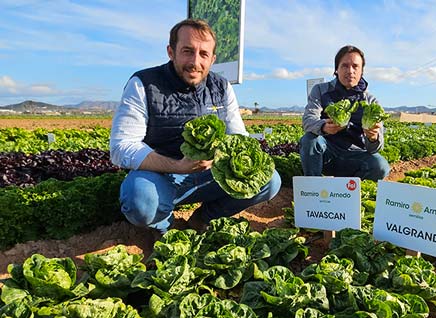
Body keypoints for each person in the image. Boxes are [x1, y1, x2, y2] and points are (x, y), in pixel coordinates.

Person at [110, 19, 281, 234]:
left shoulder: (221, 86)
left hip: (211, 174)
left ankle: (202, 218)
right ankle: (165, 228)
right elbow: (121, 147)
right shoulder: (144, 83)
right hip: (161, 175)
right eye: (187, 51)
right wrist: (178, 166)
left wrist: (227, 160)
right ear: (171, 52)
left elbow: (238, 136)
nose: (195, 62)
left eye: (203, 54)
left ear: (213, 59)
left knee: (268, 180)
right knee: (140, 199)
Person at [299, 45, 390, 181]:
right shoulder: (320, 90)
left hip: (355, 157)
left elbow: (376, 148)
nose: (350, 71)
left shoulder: (371, 101)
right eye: (345, 66)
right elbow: (308, 120)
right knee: (309, 140)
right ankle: (314, 189)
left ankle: (349, 190)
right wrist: (324, 126)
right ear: (336, 69)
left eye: (355, 66)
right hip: (327, 153)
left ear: (362, 71)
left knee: (380, 166)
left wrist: (372, 138)